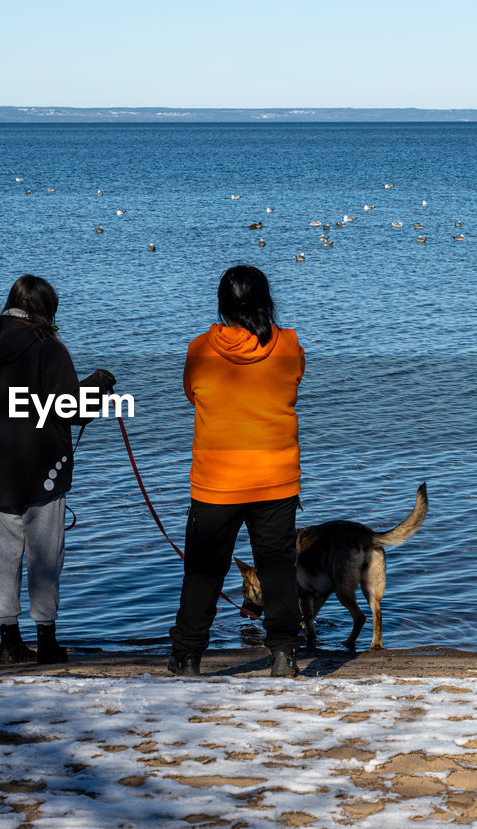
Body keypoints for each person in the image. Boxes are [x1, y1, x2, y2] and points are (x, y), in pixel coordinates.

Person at [0, 275, 115, 665]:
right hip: (44, 470)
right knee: (44, 556)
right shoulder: (49, 349)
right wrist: (99, 383)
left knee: (4, 556)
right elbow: (71, 408)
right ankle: (47, 643)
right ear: (45, 310)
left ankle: (9, 643)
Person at [169, 265, 305, 678]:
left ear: (222, 303)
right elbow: (293, 384)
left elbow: (193, 394)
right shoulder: (289, 344)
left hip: (216, 482)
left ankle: (188, 657)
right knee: (278, 570)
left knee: (203, 573)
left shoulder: (199, 349)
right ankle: (283, 656)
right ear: (266, 301)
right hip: (275, 477)